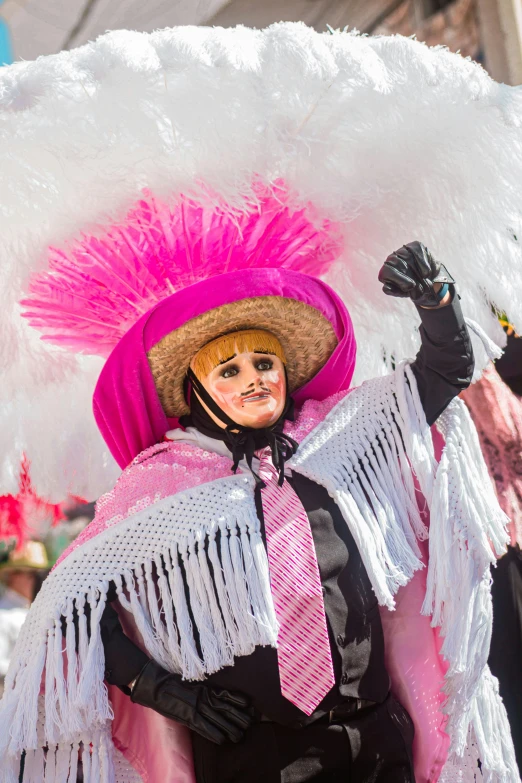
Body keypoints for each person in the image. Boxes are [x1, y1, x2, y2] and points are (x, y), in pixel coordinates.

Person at [0, 184, 517, 783]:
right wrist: (164, 692)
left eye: (265, 364)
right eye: (230, 369)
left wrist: (439, 304)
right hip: (253, 757)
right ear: (194, 394)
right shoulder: (161, 488)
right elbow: (73, 611)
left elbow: (441, 374)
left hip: (371, 737)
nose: (254, 380)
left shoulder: (338, 438)